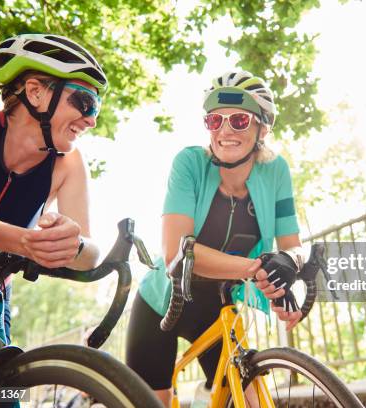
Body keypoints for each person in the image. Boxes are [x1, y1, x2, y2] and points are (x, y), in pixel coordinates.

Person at [126, 70, 305, 406]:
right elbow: (175, 254)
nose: (225, 130)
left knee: (249, 399)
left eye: (239, 120)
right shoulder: (190, 163)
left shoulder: (276, 171)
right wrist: (257, 268)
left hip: (218, 304)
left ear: (262, 127)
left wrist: (288, 266)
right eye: (214, 120)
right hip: (162, 301)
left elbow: (292, 244)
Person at [0, 33, 107, 345]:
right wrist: (27, 241)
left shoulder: (68, 164)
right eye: (85, 103)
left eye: (96, 108)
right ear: (36, 92)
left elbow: (90, 254)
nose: (91, 120)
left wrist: (70, 241)